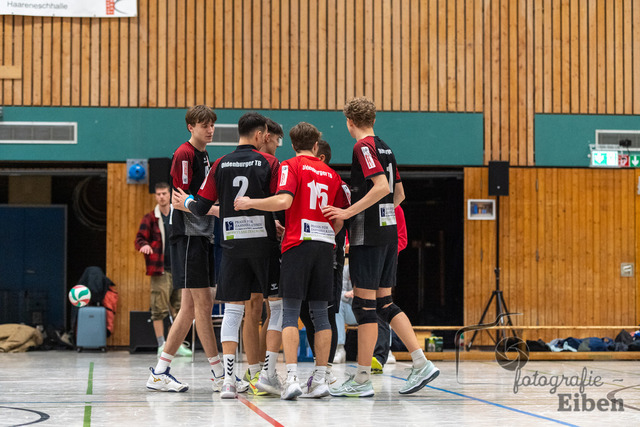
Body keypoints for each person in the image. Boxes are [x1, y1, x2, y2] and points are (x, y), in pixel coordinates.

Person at [323, 97, 439, 396]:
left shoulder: (363, 147)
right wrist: (381, 216)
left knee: (364, 307)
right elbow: (398, 194)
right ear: (373, 119)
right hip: (387, 235)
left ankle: (361, 380)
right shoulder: (385, 147)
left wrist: (348, 212)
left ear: (349, 121)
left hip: (368, 237)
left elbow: (382, 187)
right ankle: (421, 362)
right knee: (384, 304)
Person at [234, 122, 348, 400]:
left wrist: (251, 203)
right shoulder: (332, 174)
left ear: (294, 145)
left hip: (298, 245)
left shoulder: (290, 166)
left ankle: (293, 378)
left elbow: (284, 201)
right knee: (321, 315)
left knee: (290, 313)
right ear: (316, 146)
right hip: (325, 247)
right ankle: (320, 380)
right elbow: (339, 219)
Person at [173, 112, 281, 399]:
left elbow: (201, 207)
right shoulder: (270, 163)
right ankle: (268, 376)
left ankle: (229, 382)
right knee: (277, 307)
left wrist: (186, 201)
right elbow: (280, 202)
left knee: (233, 311)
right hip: (263, 245)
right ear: (259, 135)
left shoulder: (220, 163)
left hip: (232, 246)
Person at [146, 105, 224, 393]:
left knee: (189, 308)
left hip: (201, 235)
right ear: (191, 127)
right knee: (202, 306)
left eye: (212, 125)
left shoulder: (204, 155)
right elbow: (181, 200)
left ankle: (160, 372)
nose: (210, 129)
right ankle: (219, 374)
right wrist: (213, 210)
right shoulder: (184, 154)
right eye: (204, 125)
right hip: (189, 235)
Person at [298, 139, 349, 385]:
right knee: (305, 314)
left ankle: (326, 372)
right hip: (305, 256)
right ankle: (319, 368)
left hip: (331, 260)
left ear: (321, 158)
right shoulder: (303, 180)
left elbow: (342, 220)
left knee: (326, 314)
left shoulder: (337, 183)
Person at [241, 118, 285, 395]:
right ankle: (255, 368)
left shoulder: (272, 165)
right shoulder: (265, 163)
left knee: (269, 305)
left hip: (263, 240)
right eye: (277, 141)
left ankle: (262, 368)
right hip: (256, 240)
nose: (278, 146)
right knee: (255, 306)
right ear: (266, 137)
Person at [134, 182, 191, 358]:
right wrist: (144, 245)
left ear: (169, 195)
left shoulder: (178, 214)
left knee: (180, 308)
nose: (161, 197)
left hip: (179, 268)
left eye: (164, 193)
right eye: (158, 194)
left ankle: (177, 344)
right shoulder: (150, 218)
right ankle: (161, 344)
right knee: (158, 308)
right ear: (155, 196)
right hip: (160, 269)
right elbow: (139, 239)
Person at [371, 204, 406, 373]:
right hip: (364, 263)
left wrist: (385, 254)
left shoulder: (396, 208)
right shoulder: (361, 205)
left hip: (386, 264)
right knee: (365, 307)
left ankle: (381, 354)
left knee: (383, 306)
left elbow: (402, 239)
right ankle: (368, 355)